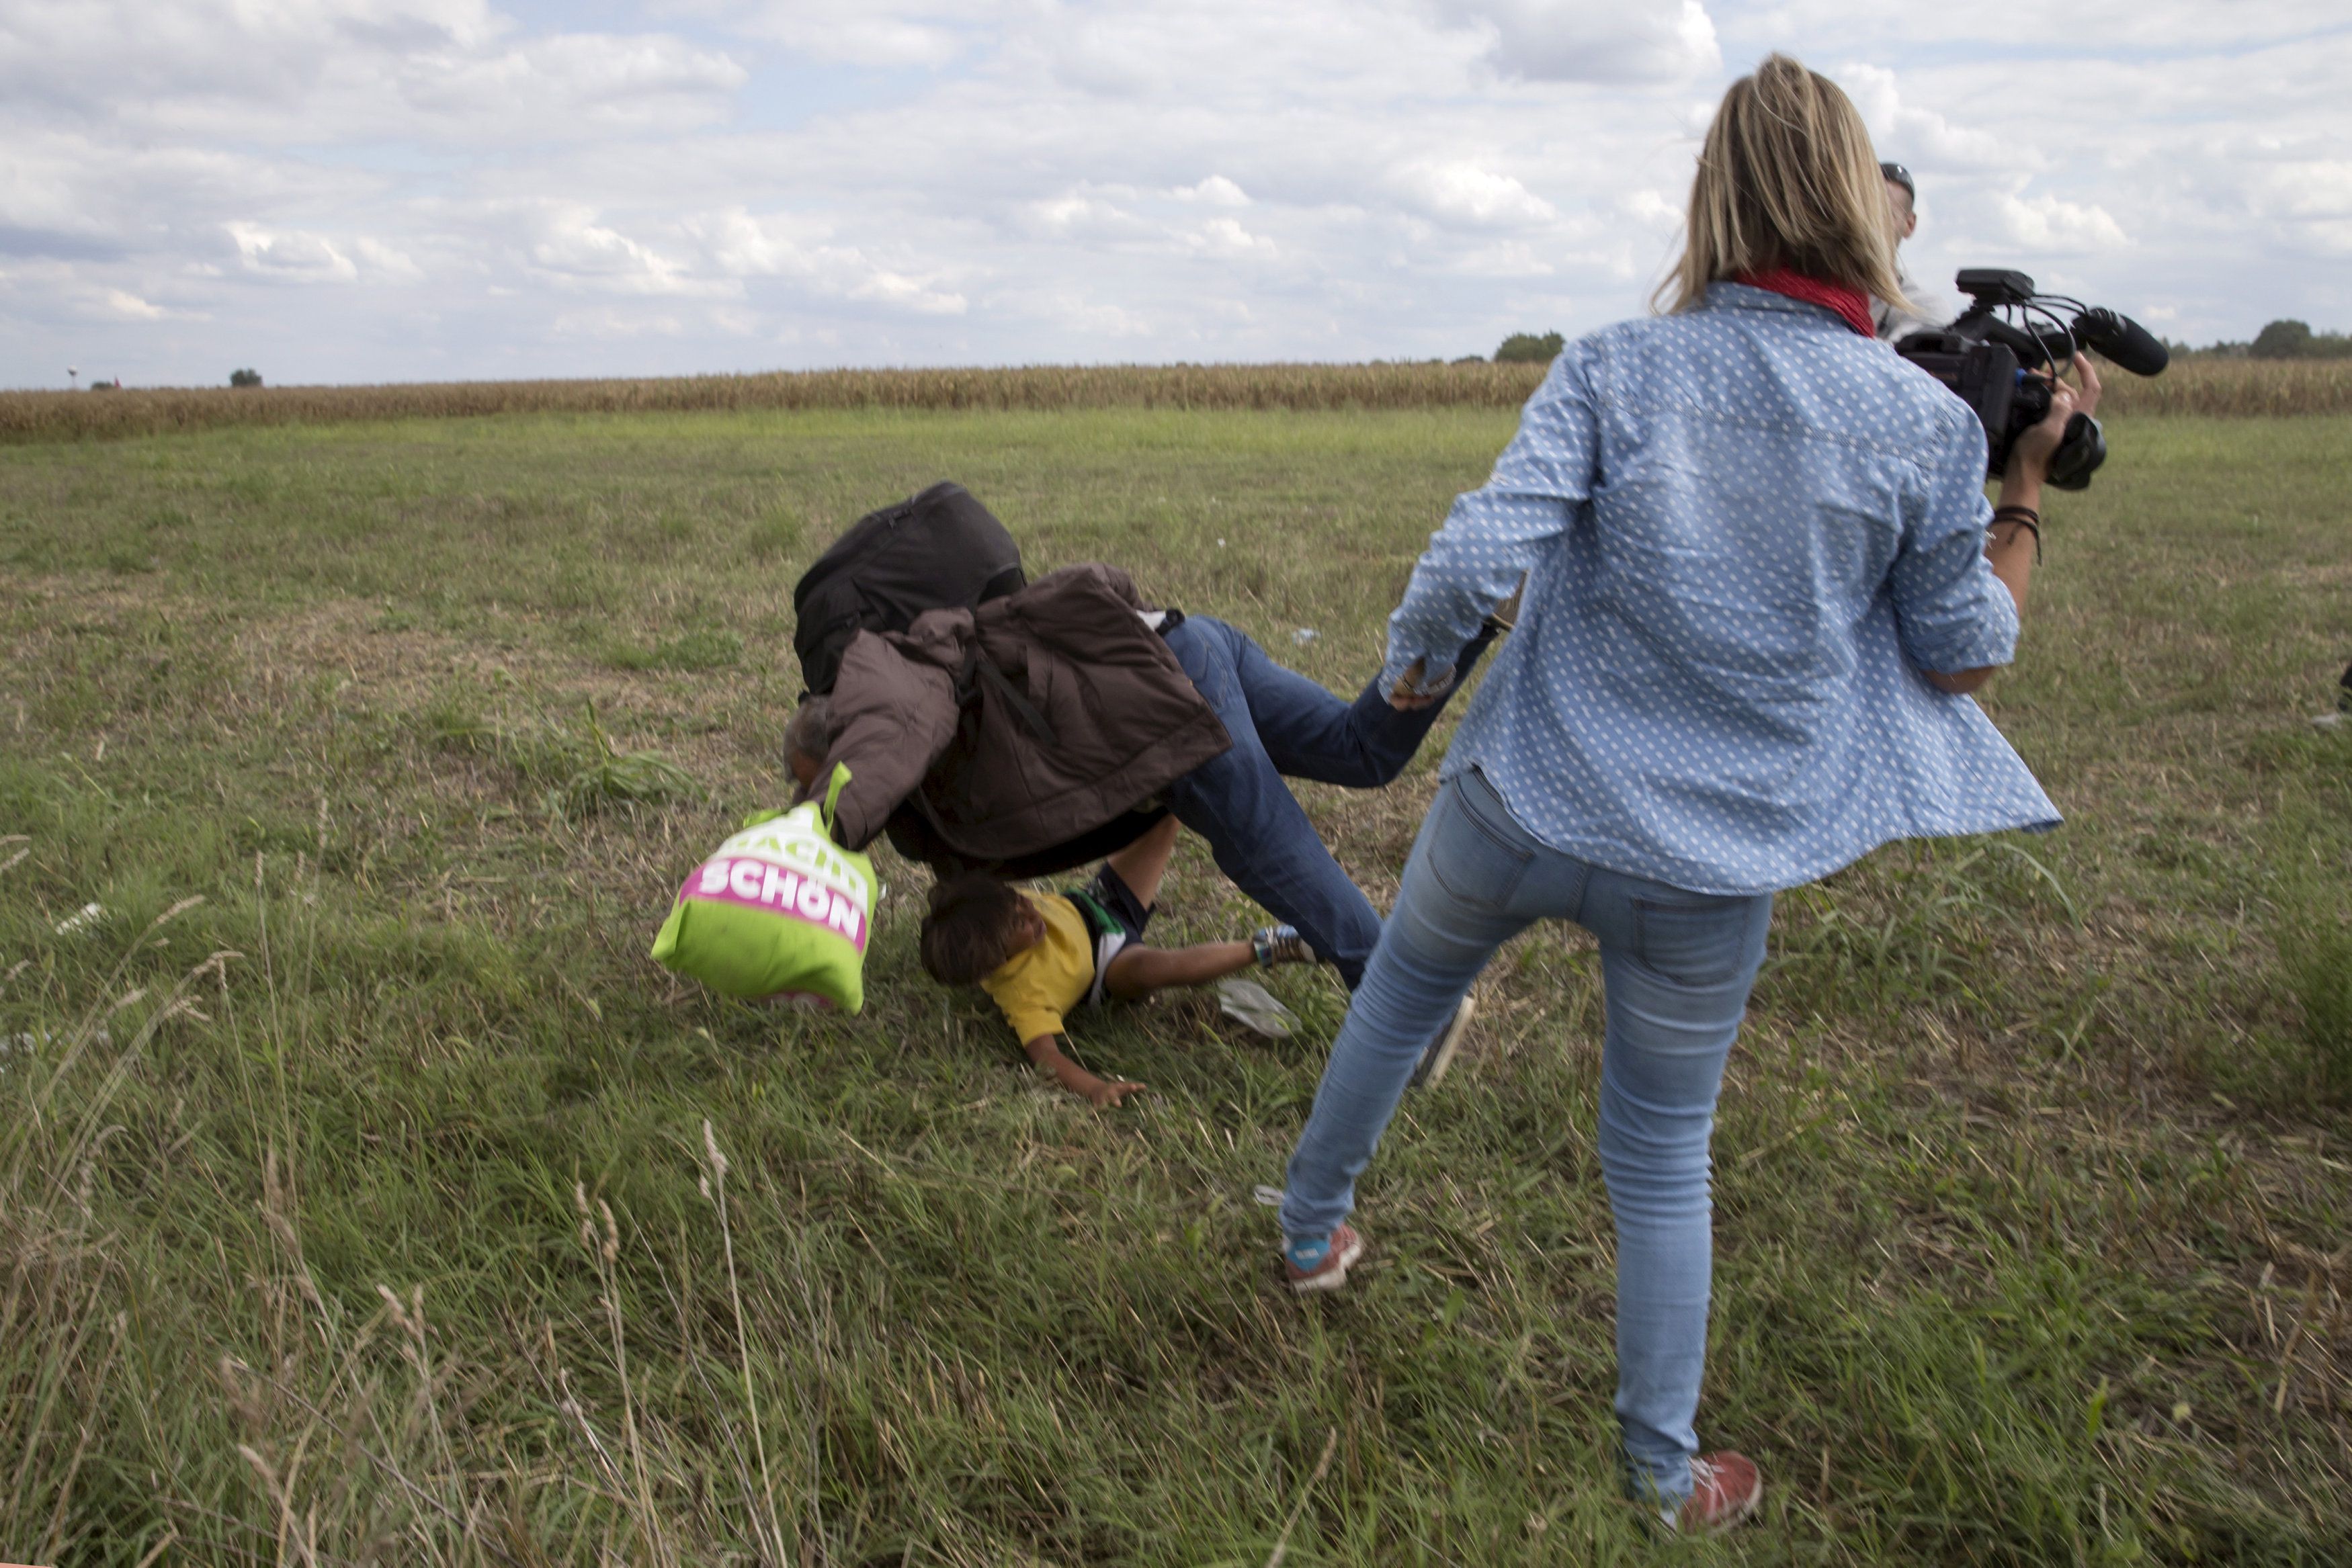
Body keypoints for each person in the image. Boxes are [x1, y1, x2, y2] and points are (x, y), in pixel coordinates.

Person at [1271, 54, 2097, 1535]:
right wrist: (2020, 482)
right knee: (1657, 1153)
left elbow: (1471, 560)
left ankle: (1307, 1233)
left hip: (1520, 799)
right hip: (1712, 866)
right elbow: (1965, 657)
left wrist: (1406, 683)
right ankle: (1662, 1473)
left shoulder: (1613, 365)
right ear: (1864, 209)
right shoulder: (1921, 428)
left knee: (1396, 1002)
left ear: (1712, 199)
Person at [786, 561, 1499, 996]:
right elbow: (967, 886)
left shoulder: (897, 710)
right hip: (1181, 642)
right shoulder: (934, 765)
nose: (813, 796)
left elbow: (878, 758)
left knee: (1262, 846)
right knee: (1358, 752)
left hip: (1157, 701)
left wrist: (814, 834)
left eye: (815, 781)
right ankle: (1466, 618)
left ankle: (1406, 1004)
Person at [917, 814, 1317, 1106]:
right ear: (998, 961)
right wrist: (1095, 1088)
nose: (1029, 913)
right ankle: (1270, 947)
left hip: (1100, 904)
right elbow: (1047, 1058)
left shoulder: (989, 907)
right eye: (1018, 927)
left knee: (1165, 816)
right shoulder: (1023, 993)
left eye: (1018, 902)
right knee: (1152, 969)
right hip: (1110, 965)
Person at [1872, 160, 1948, 341]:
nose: (1869, 224)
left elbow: (1893, 364)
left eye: (1883, 215)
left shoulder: (1922, 308)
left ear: (1910, 224)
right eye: (1862, 211)